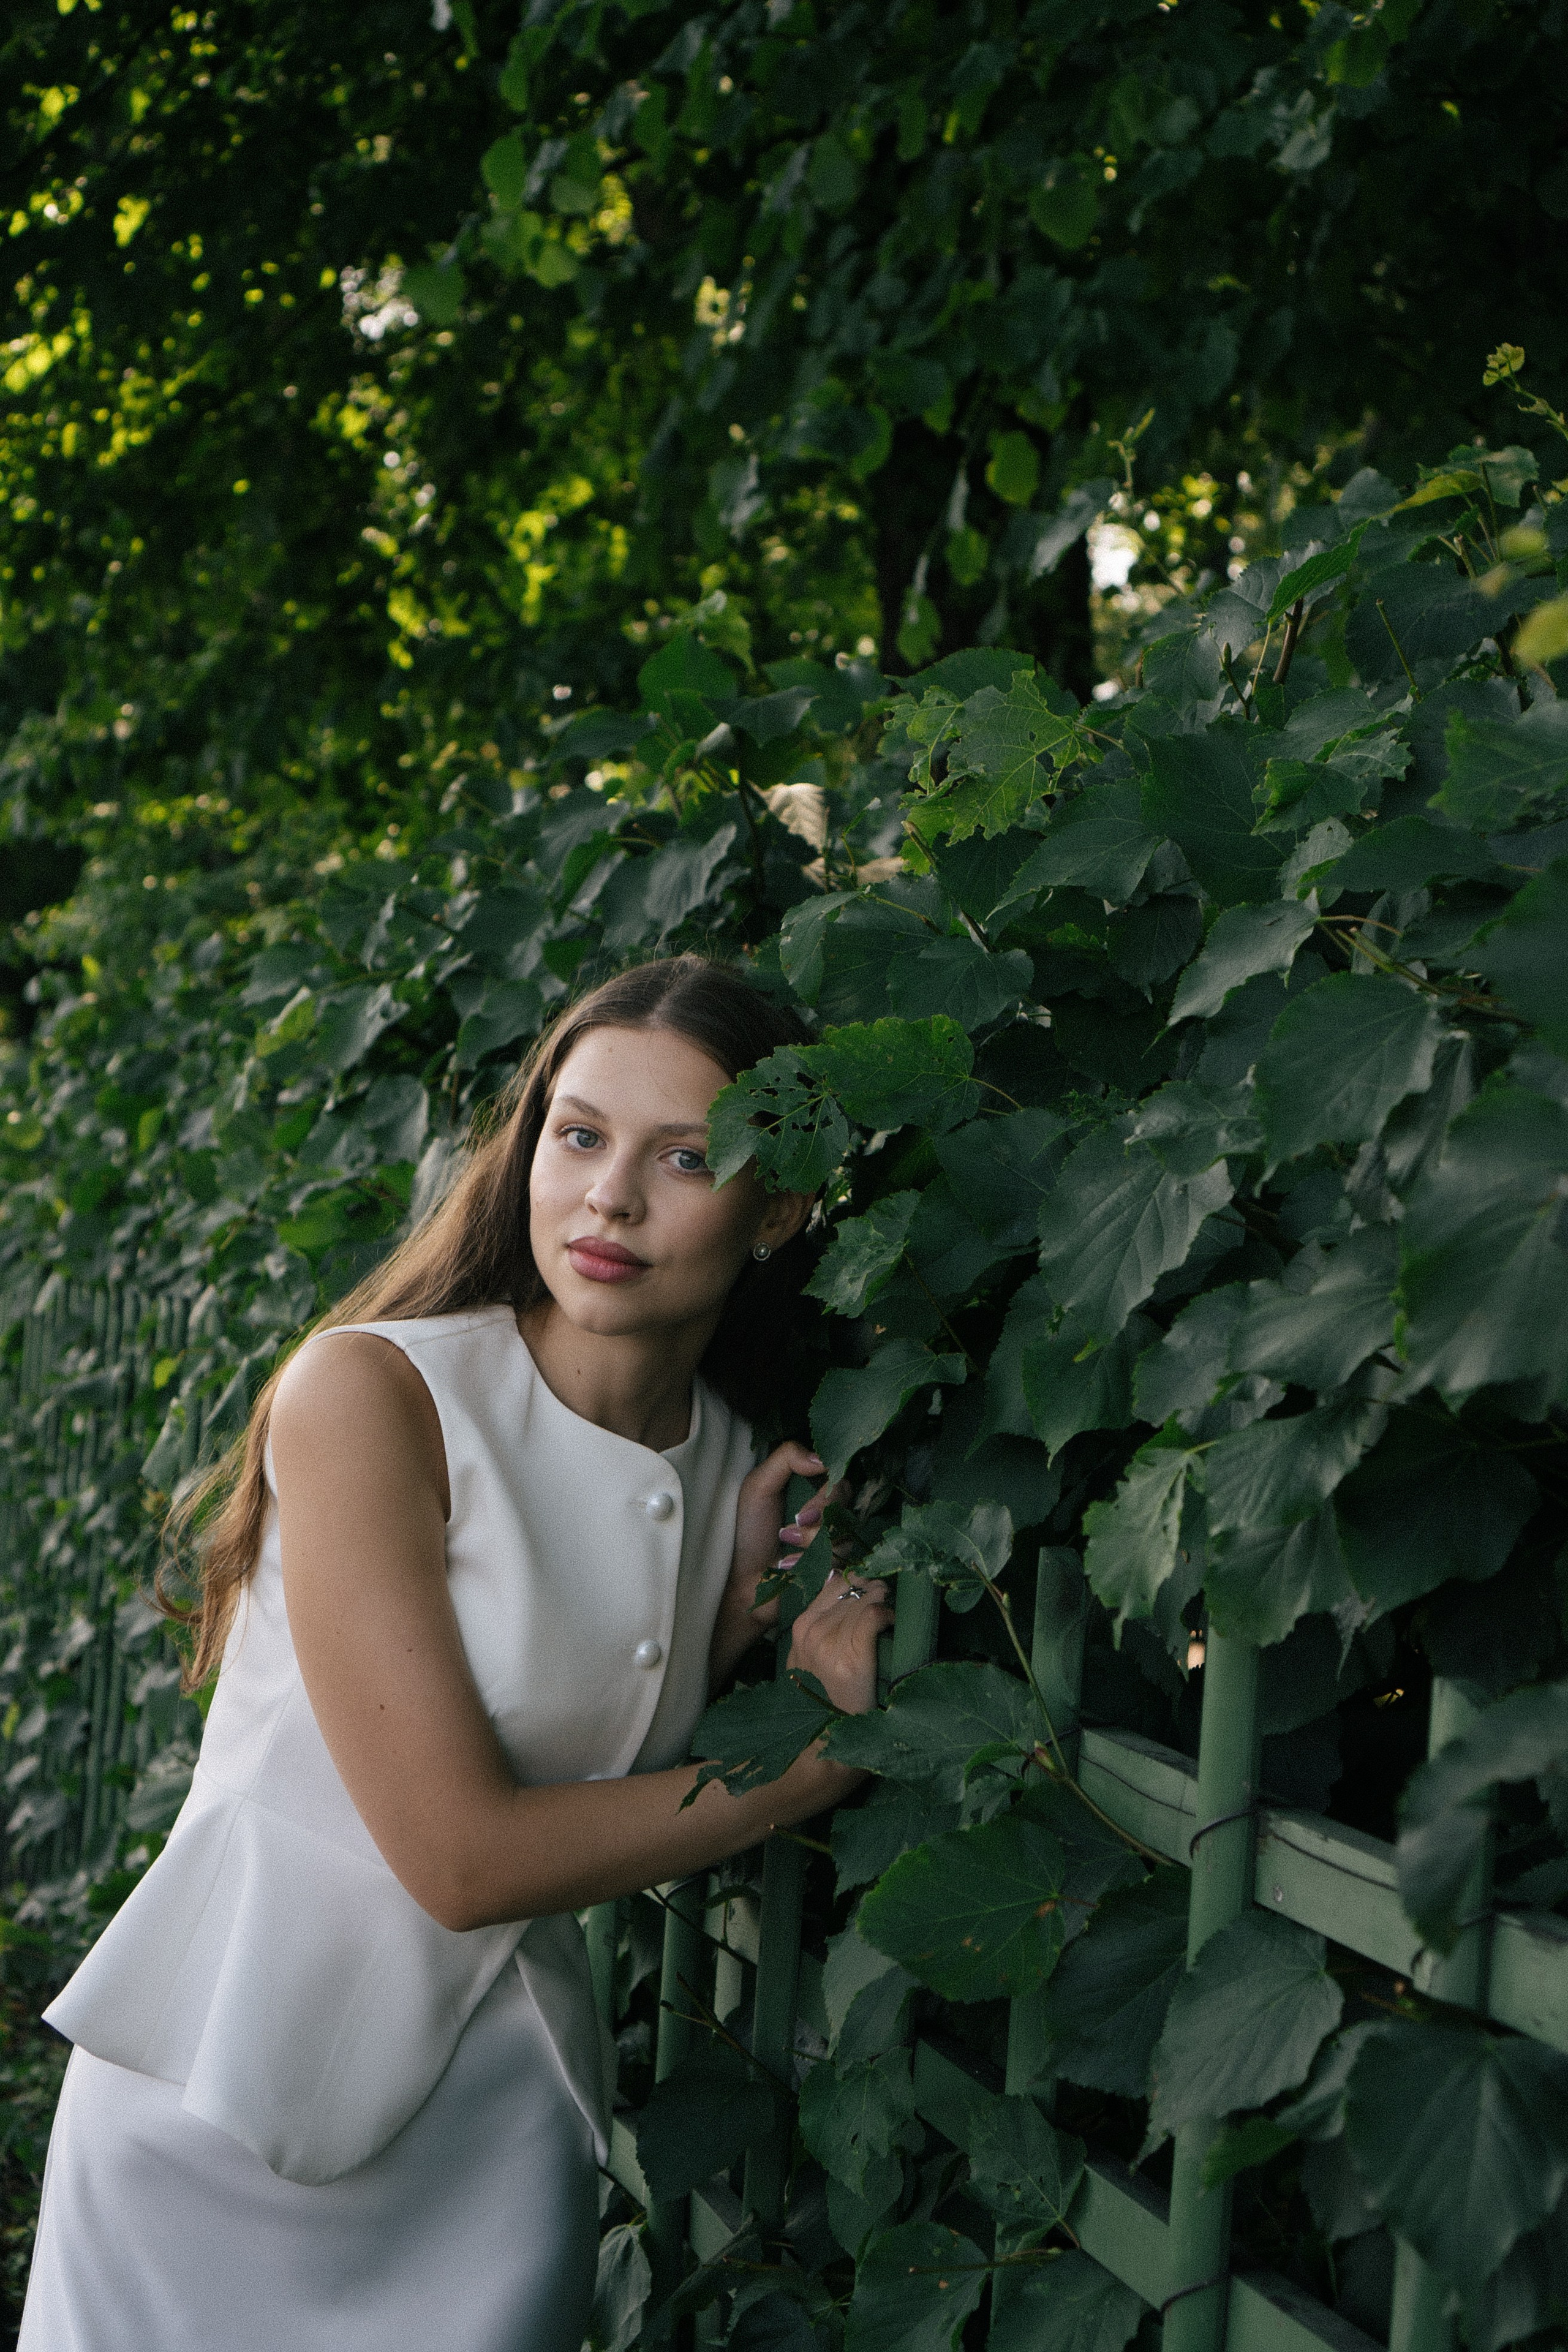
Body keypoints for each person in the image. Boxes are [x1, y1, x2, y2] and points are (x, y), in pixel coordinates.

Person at [20, 954, 891, 2352]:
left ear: (776, 1209)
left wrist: (726, 1626)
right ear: (529, 1148)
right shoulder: (372, 1393)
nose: (609, 1197)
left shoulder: (734, 1460)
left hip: (492, 2143)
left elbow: (597, 1751)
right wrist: (815, 1759)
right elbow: (459, 1859)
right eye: (579, 1134)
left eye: (684, 1156)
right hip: (211, 2135)